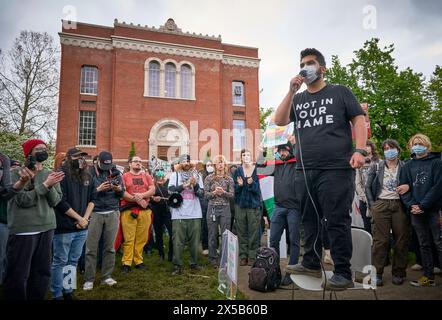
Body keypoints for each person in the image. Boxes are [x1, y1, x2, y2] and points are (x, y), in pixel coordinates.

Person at [274, 48, 367, 290]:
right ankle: (311, 262)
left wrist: (360, 150)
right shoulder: (298, 99)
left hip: (336, 167)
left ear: (322, 68)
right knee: (309, 219)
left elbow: (358, 119)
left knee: (336, 219)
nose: (306, 67)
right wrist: (291, 90)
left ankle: (343, 272)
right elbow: (279, 120)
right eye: (302, 64)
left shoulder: (339, 92)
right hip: (305, 169)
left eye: (311, 63)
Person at [4, 139, 64, 300]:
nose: (43, 151)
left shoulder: (50, 173)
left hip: (47, 227)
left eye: (45, 148)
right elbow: (23, 200)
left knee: (42, 272)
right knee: (19, 273)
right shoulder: (16, 173)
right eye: (39, 148)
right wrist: (45, 185)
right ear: (29, 153)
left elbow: (56, 201)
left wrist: (49, 184)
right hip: (24, 230)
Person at [51, 147, 95, 300]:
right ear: (69, 158)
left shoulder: (86, 175)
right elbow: (60, 202)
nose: (81, 160)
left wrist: (85, 219)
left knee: (73, 260)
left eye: (82, 157)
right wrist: (79, 219)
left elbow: (92, 199)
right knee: (60, 261)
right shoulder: (60, 175)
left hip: (82, 227)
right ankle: (57, 293)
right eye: (77, 157)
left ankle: (67, 290)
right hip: (64, 227)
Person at [365, 139, 410, 286]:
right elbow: (367, 186)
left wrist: (408, 187)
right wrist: (373, 205)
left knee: (401, 240)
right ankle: (376, 273)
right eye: (385, 148)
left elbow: (411, 184)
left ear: (398, 149)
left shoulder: (405, 166)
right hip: (381, 205)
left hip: (399, 205)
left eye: (391, 148)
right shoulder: (377, 166)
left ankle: (398, 272)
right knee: (380, 241)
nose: (389, 150)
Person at [399, 133, 442, 287]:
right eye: (414, 143)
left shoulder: (436, 163)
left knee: (438, 241)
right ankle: (428, 276)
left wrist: (423, 205)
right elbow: (403, 188)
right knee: (423, 244)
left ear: (427, 145)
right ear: (410, 146)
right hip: (415, 211)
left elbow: (438, 187)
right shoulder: (407, 166)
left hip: (432, 209)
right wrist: (412, 205)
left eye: (420, 143)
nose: (417, 146)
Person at [259, 141, 301, 286]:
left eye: (284, 150)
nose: (282, 153)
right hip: (279, 207)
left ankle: (291, 273)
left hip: (294, 208)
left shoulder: (297, 163)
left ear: (290, 151)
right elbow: (260, 170)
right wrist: (262, 153)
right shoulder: (275, 165)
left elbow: (301, 155)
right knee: (273, 240)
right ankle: (275, 270)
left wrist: (295, 144)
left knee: (294, 241)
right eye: (280, 150)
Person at [83, 151, 124, 290]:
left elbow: (122, 193)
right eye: (104, 166)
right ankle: (89, 279)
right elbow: (85, 195)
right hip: (95, 213)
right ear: (97, 161)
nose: (107, 170)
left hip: (112, 211)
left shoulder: (116, 172)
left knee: (110, 247)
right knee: (91, 248)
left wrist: (118, 189)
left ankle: (106, 276)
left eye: (109, 166)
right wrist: (98, 189)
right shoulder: (89, 172)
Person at [168, 154, 204, 275]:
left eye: (188, 161)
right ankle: (177, 265)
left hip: (195, 213)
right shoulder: (175, 175)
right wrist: (184, 185)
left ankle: (194, 263)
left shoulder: (197, 175)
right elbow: (170, 190)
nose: (186, 163)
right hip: (178, 213)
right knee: (177, 241)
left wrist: (195, 185)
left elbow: (201, 194)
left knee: (194, 242)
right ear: (180, 163)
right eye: (184, 161)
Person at [0, 153, 32, 285]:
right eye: (12, 168)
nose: (14, 170)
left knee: (12, 256)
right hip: (3, 222)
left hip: (17, 224)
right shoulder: (6, 186)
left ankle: (8, 279)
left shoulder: (20, 185)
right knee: (2, 255)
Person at [120, 155, 155, 272]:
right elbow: (122, 192)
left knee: (142, 238)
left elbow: (152, 190)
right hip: (129, 210)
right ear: (130, 164)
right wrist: (138, 200)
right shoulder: (124, 176)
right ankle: (126, 262)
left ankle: (138, 260)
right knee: (129, 238)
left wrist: (142, 196)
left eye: (140, 161)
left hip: (145, 211)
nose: (138, 163)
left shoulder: (147, 176)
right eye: (135, 161)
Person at [204, 155, 234, 268]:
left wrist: (223, 193)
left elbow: (232, 195)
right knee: (212, 234)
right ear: (215, 165)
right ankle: (213, 259)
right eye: (218, 163)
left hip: (225, 208)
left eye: (222, 162)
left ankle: (224, 259)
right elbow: (205, 195)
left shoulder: (229, 179)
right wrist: (214, 193)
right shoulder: (209, 178)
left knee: (225, 234)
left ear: (225, 165)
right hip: (212, 208)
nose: (220, 165)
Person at [233, 149, 262, 267]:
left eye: (248, 154)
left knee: (254, 231)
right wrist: (239, 186)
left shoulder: (256, 170)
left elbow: (259, 190)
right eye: (244, 154)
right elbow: (234, 189)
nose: (246, 156)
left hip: (253, 205)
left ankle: (252, 255)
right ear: (241, 157)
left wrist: (252, 183)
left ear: (251, 157)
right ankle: (243, 256)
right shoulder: (237, 171)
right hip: (240, 205)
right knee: (241, 231)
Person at [355, 140, 381, 234]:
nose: (366, 147)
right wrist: (363, 196)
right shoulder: (359, 161)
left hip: (377, 198)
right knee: (366, 224)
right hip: (364, 199)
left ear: (372, 147)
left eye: (368, 145)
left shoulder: (379, 162)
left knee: (379, 223)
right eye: (364, 146)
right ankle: (369, 245)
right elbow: (357, 182)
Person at [150, 168, 173, 262]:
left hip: (166, 211)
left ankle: (171, 254)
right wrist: (153, 198)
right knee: (158, 233)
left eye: (161, 174)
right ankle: (161, 254)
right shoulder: (152, 184)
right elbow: (148, 196)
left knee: (172, 233)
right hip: (156, 211)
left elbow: (172, 194)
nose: (160, 176)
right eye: (158, 174)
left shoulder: (168, 183)